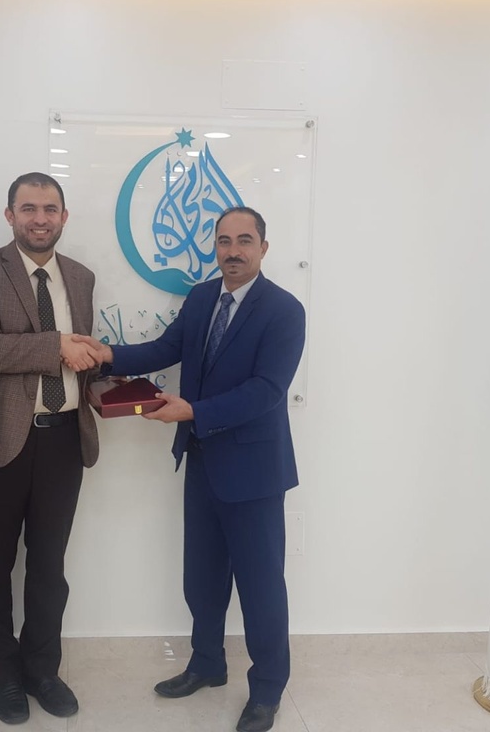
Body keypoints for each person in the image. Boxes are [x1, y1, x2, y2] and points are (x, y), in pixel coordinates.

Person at [79, 207, 305, 732]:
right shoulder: (203, 298)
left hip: (254, 473)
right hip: (202, 461)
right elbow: (166, 348)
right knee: (201, 579)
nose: (233, 251)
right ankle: (207, 665)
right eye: (224, 241)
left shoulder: (284, 310)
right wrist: (106, 355)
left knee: (261, 589)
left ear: (264, 248)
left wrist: (194, 412)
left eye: (244, 241)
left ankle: (267, 690)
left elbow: (267, 391)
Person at [0, 173, 99, 725]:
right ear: (10, 215)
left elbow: (82, 359)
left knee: (48, 566)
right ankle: (5, 676)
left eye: (50, 208)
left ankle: (42, 670)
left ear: (64, 216)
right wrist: (56, 345)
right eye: (29, 208)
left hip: (64, 439)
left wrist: (118, 390)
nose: (40, 218)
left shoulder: (81, 277)